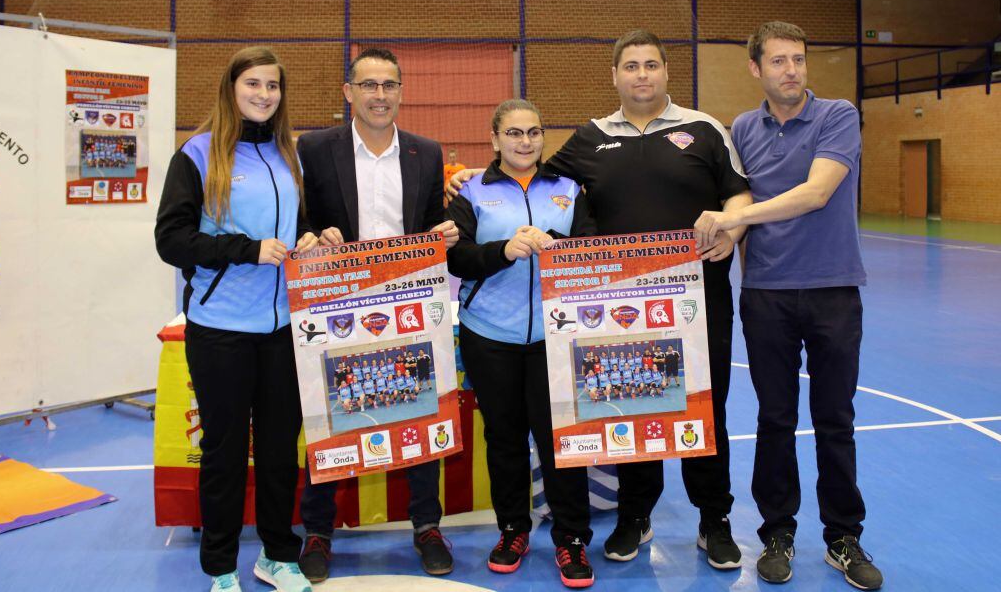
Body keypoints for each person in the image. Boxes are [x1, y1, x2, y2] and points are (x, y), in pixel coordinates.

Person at [447, 29, 752, 570]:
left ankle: (714, 520)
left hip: (696, 299)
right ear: (614, 76)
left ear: (665, 72)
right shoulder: (589, 139)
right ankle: (636, 515)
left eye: (651, 65)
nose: (641, 75)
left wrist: (733, 227)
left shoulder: (704, 129)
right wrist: (470, 175)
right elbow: (532, 176)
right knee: (633, 408)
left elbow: (737, 194)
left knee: (706, 411)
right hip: (621, 310)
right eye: (630, 66)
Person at [694, 21, 883, 590]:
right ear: (756, 69)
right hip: (766, 297)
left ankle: (842, 537)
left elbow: (816, 192)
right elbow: (737, 199)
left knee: (835, 418)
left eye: (798, 59)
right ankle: (777, 531)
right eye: (777, 61)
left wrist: (735, 219)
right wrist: (730, 234)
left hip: (832, 290)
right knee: (774, 419)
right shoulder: (743, 129)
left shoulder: (837, 115)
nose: (791, 70)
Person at [155, 46, 317, 592]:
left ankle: (277, 554)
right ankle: (221, 567)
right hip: (221, 328)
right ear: (231, 88)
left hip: (283, 329)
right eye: (253, 84)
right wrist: (245, 250)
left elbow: (303, 226)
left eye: (272, 86)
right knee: (224, 452)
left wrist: (314, 238)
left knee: (278, 449)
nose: (264, 95)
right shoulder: (197, 155)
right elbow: (171, 240)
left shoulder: (289, 155)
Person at [295, 47, 458, 582]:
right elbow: (302, 221)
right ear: (349, 93)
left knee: (416, 412)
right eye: (368, 85)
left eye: (389, 85)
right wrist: (315, 238)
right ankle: (318, 530)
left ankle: (426, 526)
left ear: (401, 92)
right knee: (331, 416)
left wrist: (444, 236)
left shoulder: (426, 153)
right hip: (337, 307)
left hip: (408, 306)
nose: (379, 95)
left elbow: (434, 224)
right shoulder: (315, 150)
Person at [447, 98, 598, 587]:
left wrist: (559, 245)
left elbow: (594, 250)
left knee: (563, 443)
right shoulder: (470, 191)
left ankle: (572, 539)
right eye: (514, 133)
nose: (525, 141)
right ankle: (512, 530)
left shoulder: (570, 190)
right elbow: (458, 260)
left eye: (533, 132)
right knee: (505, 439)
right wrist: (503, 251)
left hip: (557, 337)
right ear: (494, 139)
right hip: (490, 335)